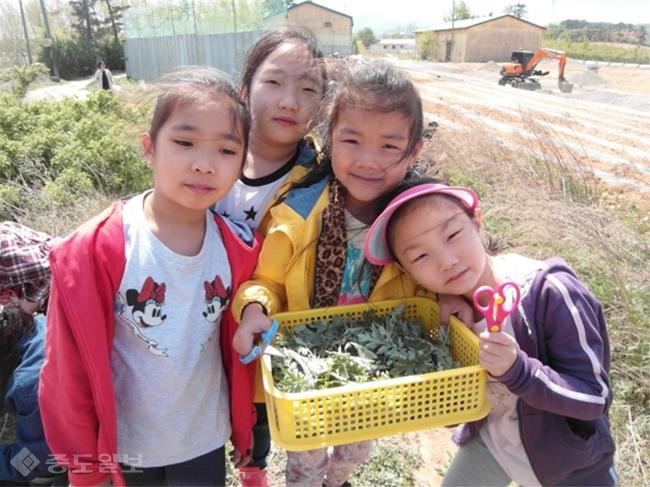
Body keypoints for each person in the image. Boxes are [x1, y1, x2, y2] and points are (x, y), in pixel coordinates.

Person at [39, 67, 261, 487]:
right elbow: (65, 373)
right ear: (149, 148)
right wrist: (85, 469)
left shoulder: (239, 249)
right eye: (183, 142)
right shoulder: (95, 249)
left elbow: (260, 296)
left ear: (242, 163)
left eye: (226, 151)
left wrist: (253, 305)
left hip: (203, 441)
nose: (203, 164)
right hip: (126, 450)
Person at [231, 59, 426, 487]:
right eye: (351, 140)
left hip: (375, 378)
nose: (368, 161)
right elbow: (264, 283)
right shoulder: (296, 215)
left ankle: (336, 480)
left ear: (414, 152)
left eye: (390, 147)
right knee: (304, 458)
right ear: (330, 141)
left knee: (355, 451)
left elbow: (441, 279)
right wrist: (254, 310)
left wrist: (450, 299)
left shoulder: (420, 221)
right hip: (308, 374)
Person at [363, 177, 617, 486]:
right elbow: (457, 408)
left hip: (569, 461)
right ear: (406, 271)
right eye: (420, 256)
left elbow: (595, 398)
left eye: (453, 235)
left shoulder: (551, 292)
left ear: (477, 222)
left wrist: (519, 371)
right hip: (493, 442)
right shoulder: (446, 311)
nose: (447, 262)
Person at [212, 27, 325, 487]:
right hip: (196, 317)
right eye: (274, 83)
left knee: (254, 409)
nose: (290, 101)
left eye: (308, 89)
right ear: (245, 89)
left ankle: (253, 468)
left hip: (261, 320)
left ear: (322, 106)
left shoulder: (321, 174)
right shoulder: (210, 152)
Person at [0, 223, 65, 485]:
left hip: (113, 452)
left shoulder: (30, 383)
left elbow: (38, 459)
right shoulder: (25, 325)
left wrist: (5, 465)